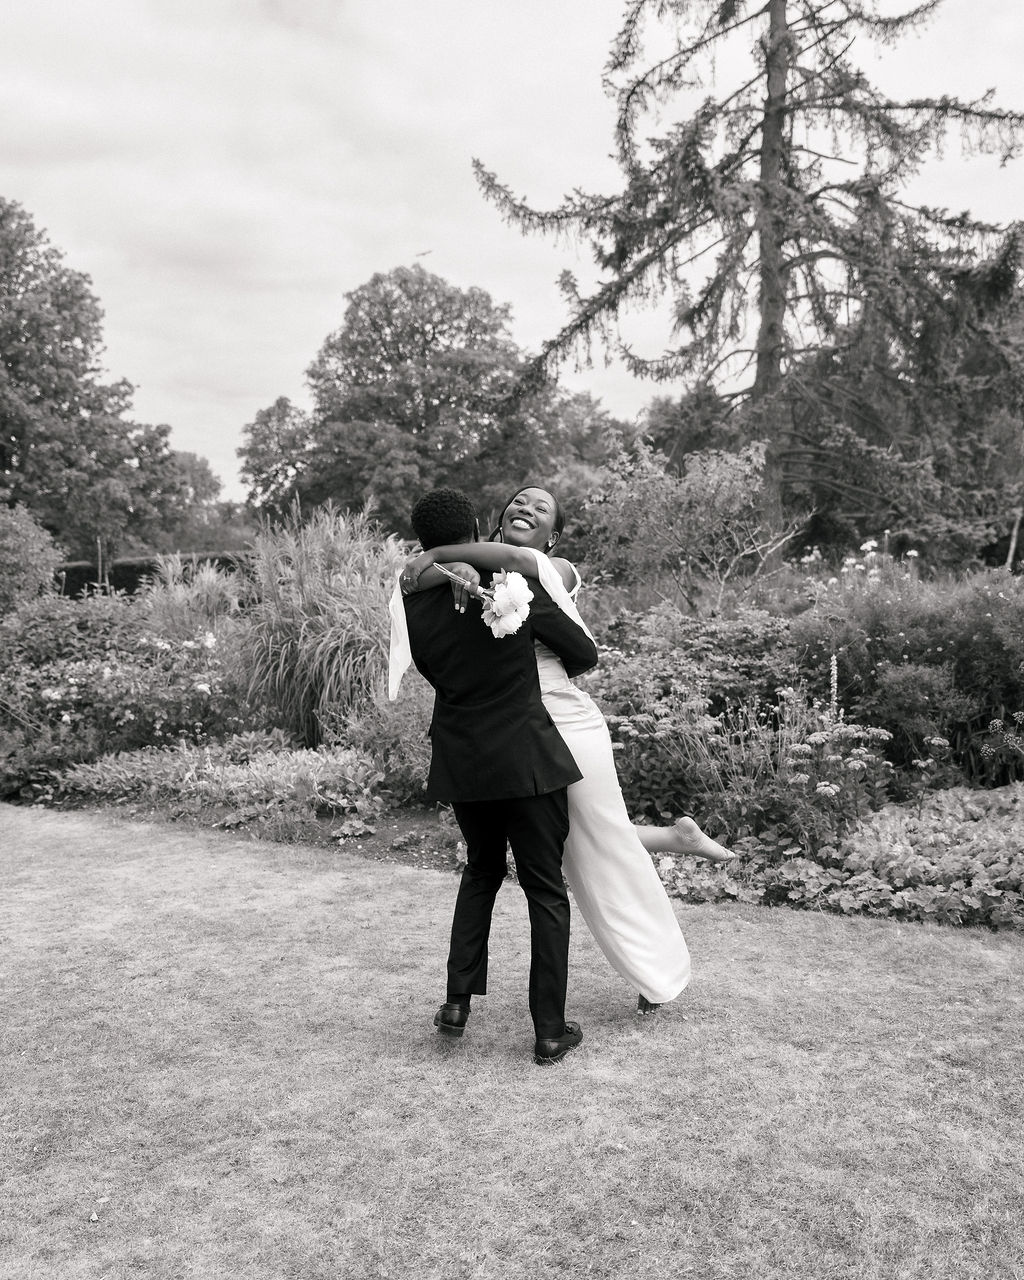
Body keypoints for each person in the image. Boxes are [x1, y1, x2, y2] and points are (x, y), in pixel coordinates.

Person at [400, 485, 733, 1015]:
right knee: (580, 844)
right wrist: (454, 568)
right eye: (519, 501)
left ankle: (655, 971)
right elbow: (434, 599)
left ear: (553, 535)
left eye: (542, 508)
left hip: (564, 721)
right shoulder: (469, 578)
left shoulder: (551, 569)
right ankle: (673, 842)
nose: (527, 509)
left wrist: (440, 556)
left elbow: (581, 653)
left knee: (601, 843)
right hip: (513, 731)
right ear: (494, 519)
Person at [395, 487, 600, 1065]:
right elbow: (582, 652)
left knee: (480, 871)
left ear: (421, 540)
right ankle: (549, 1030)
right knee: (544, 889)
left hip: (463, 759)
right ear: (476, 530)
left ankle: (456, 1002)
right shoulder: (513, 584)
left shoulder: (411, 598)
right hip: (526, 757)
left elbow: (430, 667)